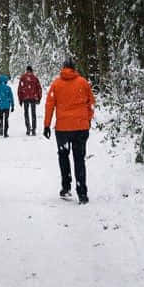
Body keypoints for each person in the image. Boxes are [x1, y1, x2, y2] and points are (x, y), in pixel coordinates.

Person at [43, 57, 95, 204]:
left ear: (63, 68)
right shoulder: (83, 83)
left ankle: (66, 187)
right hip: (80, 127)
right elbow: (91, 103)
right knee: (79, 159)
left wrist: (46, 125)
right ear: (74, 68)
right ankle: (82, 193)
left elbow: (49, 105)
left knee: (63, 156)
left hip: (63, 129)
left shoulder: (56, 84)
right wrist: (87, 120)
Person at [17, 64, 42, 135]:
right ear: (32, 70)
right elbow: (39, 88)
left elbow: (20, 89)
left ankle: (28, 128)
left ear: (26, 70)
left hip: (25, 98)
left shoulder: (23, 78)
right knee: (33, 114)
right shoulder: (35, 78)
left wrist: (20, 99)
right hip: (33, 98)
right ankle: (33, 129)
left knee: (26, 113)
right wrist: (39, 98)